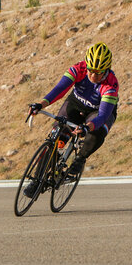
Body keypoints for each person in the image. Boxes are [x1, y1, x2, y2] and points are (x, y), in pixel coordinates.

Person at [24, 42, 119, 197]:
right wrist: (41, 105)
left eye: (99, 72)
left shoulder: (111, 85)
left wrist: (87, 127)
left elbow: (102, 116)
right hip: (76, 103)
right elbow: (59, 90)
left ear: (106, 70)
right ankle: (37, 180)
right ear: (86, 65)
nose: (93, 76)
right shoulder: (78, 69)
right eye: (91, 70)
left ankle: (80, 159)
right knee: (56, 137)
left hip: (98, 111)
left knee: (96, 133)